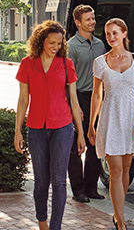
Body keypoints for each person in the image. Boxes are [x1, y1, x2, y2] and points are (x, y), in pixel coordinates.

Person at [14, 20, 86, 230]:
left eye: (59, 43)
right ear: (41, 41)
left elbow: (74, 100)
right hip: (36, 128)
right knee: (41, 182)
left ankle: (55, 227)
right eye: (51, 43)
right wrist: (18, 130)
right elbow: (23, 100)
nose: (56, 47)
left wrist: (80, 133)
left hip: (62, 127)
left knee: (59, 182)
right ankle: (42, 222)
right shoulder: (28, 63)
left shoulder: (66, 64)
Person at [88, 18, 134, 230]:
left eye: (115, 33)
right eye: (108, 34)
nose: (111, 37)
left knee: (125, 170)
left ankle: (118, 213)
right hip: (110, 118)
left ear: (124, 34)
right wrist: (91, 124)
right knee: (114, 171)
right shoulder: (100, 62)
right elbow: (97, 95)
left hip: (131, 117)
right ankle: (121, 221)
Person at [67, 4, 107, 203]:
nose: (93, 22)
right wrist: (74, 108)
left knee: (95, 143)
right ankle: (78, 190)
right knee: (76, 146)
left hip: (98, 98)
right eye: (88, 19)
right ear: (78, 23)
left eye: (93, 18)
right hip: (80, 97)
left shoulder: (100, 44)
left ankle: (91, 187)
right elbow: (66, 81)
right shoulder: (71, 46)